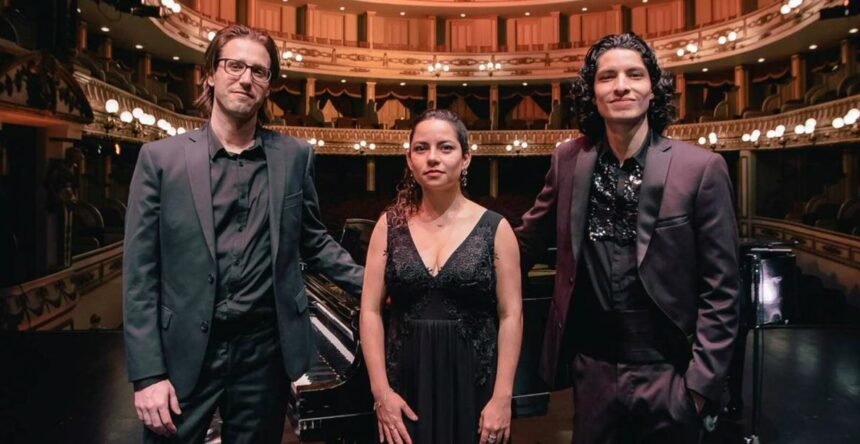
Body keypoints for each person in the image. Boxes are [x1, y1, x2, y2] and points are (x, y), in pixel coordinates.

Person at [123, 24, 363, 443]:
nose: (246, 78)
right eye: (234, 65)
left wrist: (377, 283)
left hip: (263, 352)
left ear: (268, 85)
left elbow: (315, 241)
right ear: (210, 75)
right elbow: (140, 274)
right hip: (184, 350)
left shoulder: (295, 156)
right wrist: (147, 375)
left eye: (259, 71)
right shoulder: (160, 159)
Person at [516, 33, 740, 443]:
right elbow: (524, 244)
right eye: (608, 77)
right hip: (592, 369)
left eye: (634, 74)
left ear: (653, 89)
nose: (621, 86)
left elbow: (722, 288)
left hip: (669, 371)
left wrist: (699, 386)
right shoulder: (568, 160)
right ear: (593, 93)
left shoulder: (701, 168)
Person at [359, 109, 523, 444]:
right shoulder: (388, 226)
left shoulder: (496, 229)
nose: (432, 158)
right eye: (421, 148)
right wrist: (381, 393)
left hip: (474, 387)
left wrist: (502, 397)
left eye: (445, 147)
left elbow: (512, 315)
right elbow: (370, 311)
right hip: (405, 386)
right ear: (410, 160)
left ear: (466, 158)